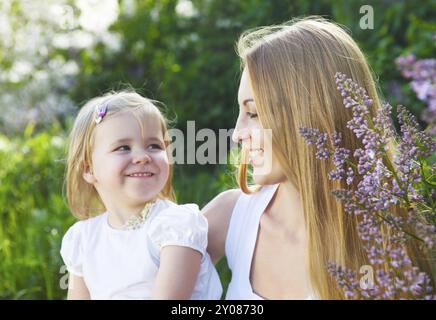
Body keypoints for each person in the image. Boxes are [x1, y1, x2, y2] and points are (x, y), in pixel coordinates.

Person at [203, 17, 432, 299]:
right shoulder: (231, 215)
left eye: (254, 113)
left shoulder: (388, 237)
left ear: (308, 114)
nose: (237, 134)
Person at [61, 91, 222, 299]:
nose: (142, 157)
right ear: (89, 169)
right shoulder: (83, 239)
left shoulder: (174, 227)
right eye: (123, 148)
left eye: (154, 146)